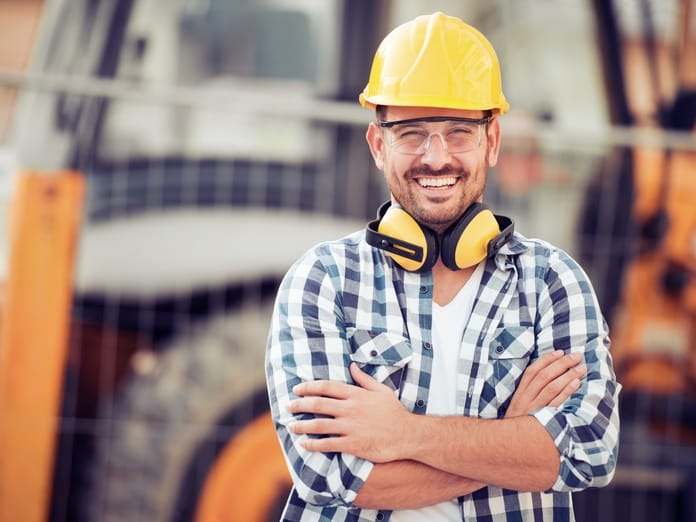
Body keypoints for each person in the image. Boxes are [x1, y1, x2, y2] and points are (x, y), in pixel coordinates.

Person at [265, 11, 620, 521]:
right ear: (377, 144)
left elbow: (588, 453)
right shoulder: (322, 281)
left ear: (492, 142)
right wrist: (513, 434)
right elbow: (328, 476)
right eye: (411, 132)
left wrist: (404, 433)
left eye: (459, 132)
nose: (436, 157)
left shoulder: (553, 283)